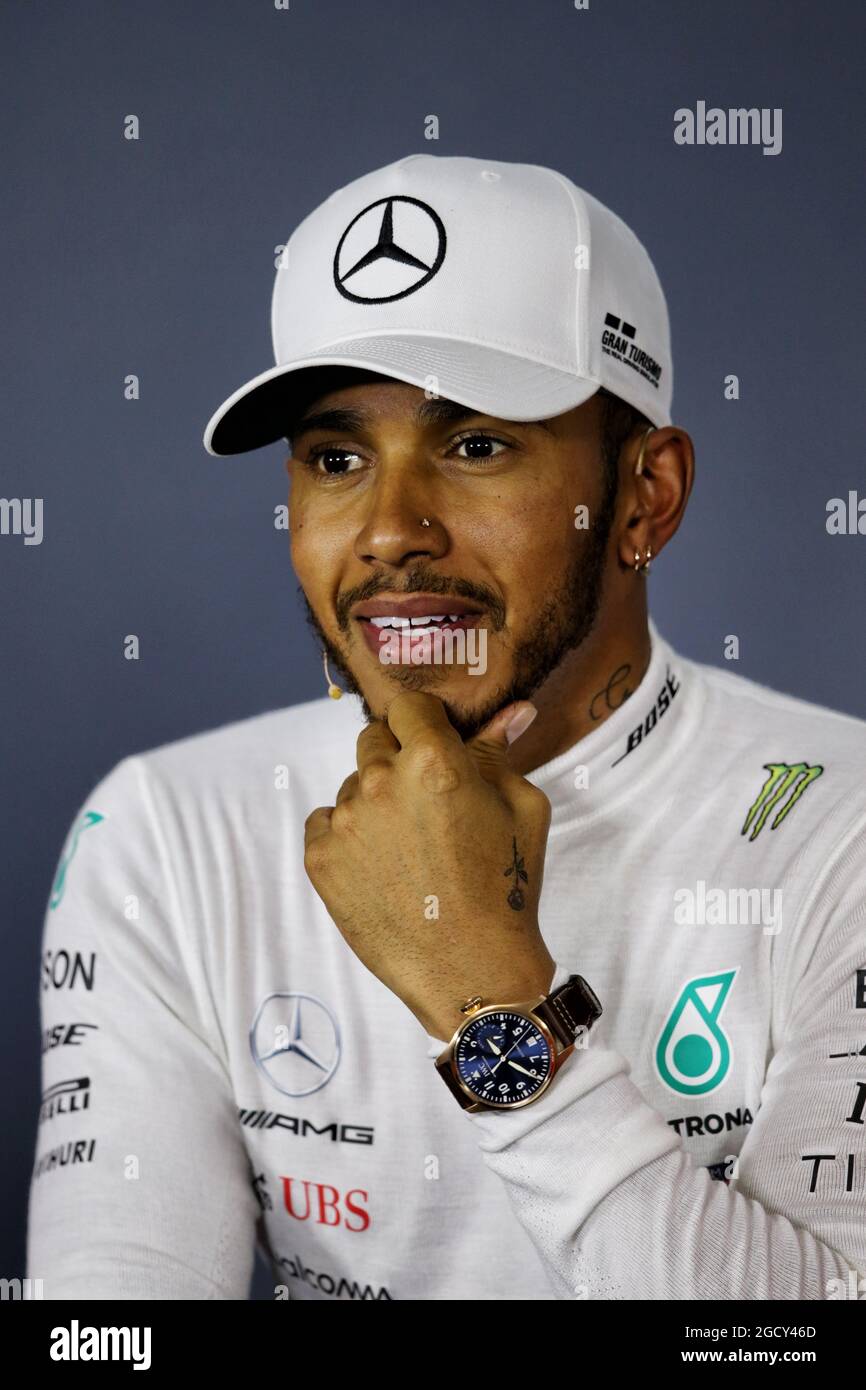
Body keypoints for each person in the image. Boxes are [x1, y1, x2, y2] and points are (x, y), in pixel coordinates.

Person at [28, 154, 866, 1300]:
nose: (388, 532)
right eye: (336, 458)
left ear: (643, 497)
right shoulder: (166, 832)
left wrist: (488, 991)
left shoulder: (840, 825)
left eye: (474, 445)